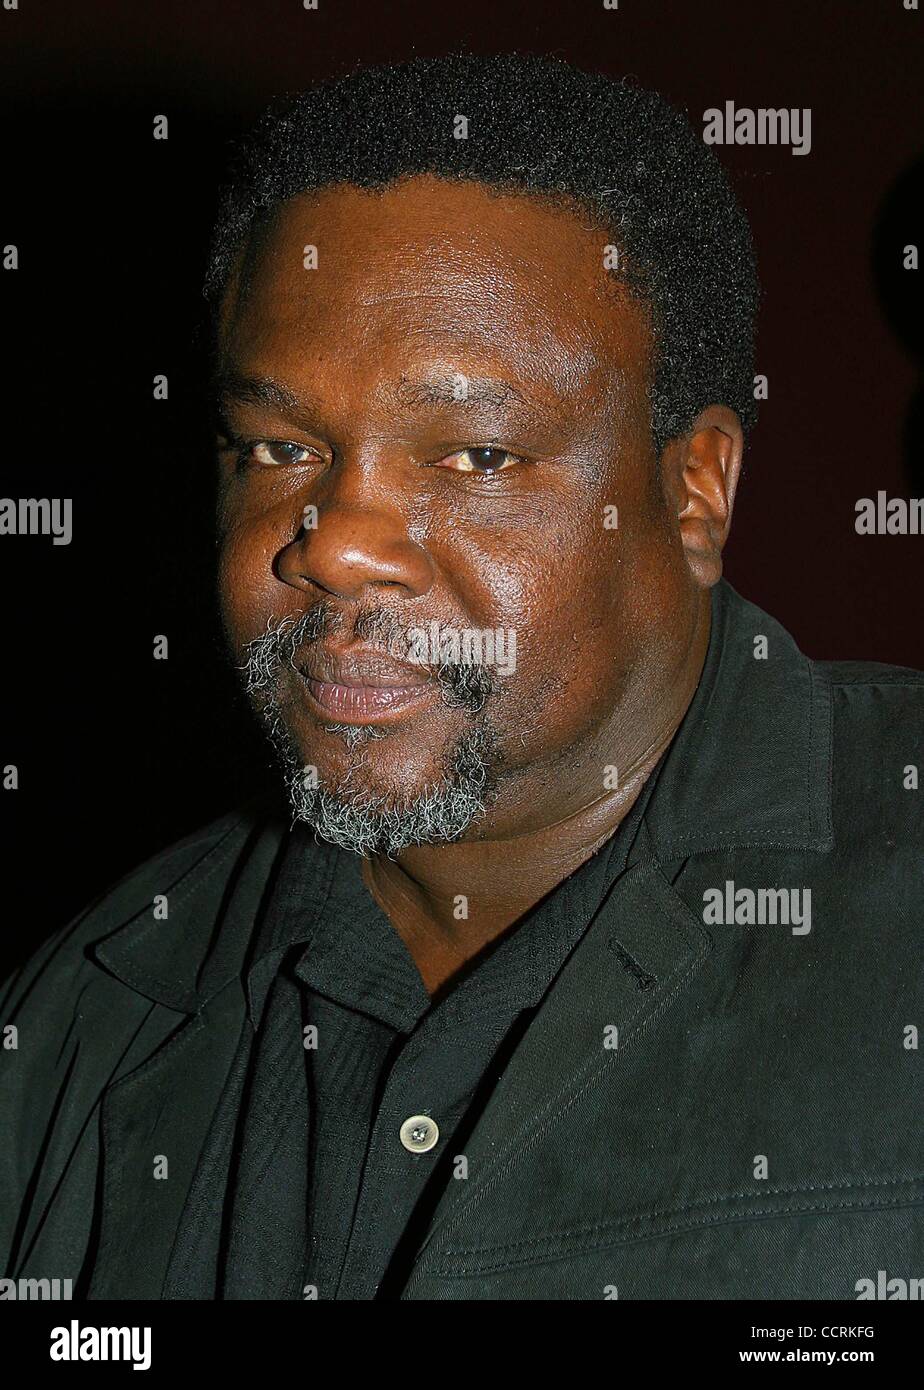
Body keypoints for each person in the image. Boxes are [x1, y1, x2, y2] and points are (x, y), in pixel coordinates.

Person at [2, 52, 921, 1301]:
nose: (334, 546)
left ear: (695, 491)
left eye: (478, 456)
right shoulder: (85, 1020)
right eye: (277, 447)